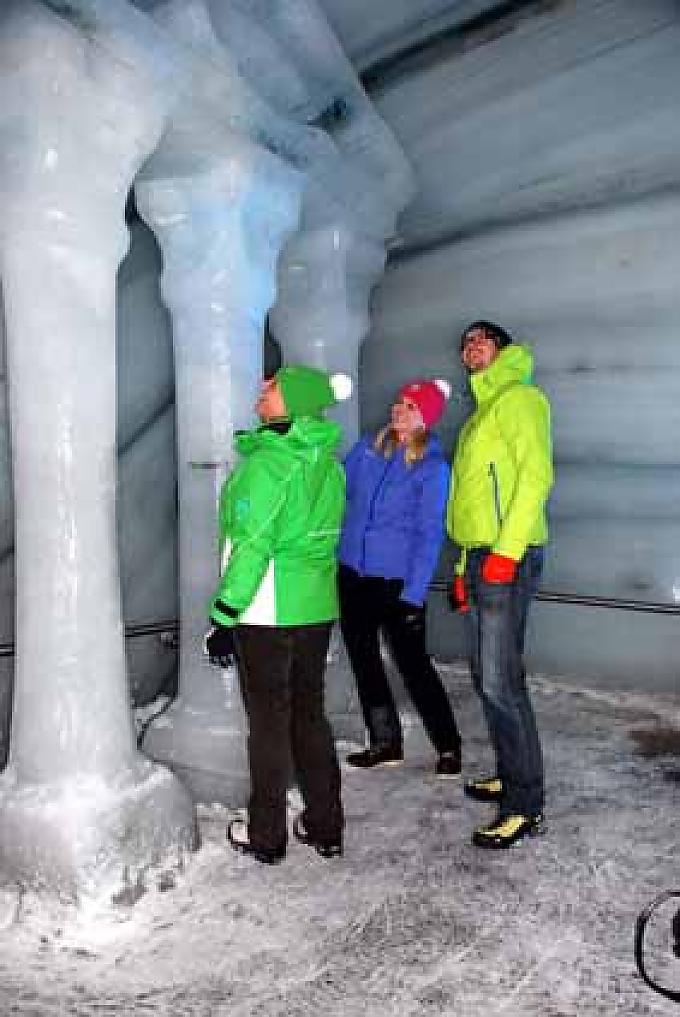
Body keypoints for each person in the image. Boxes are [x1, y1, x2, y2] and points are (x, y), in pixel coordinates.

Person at [205, 364, 352, 864]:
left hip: (266, 610)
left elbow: (251, 546)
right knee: (309, 716)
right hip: (314, 609)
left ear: (294, 402)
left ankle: (266, 835)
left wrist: (225, 615)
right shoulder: (329, 466)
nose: (261, 392)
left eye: (272, 388)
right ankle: (325, 824)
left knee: (269, 722)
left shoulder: (269, 463)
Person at [447, 320, 553, 848]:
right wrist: (465, 567)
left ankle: (524, 804)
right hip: (483, 557)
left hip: (506, 557)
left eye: (482, 338)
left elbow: (536, 477)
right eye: (466, 342)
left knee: (500, 682)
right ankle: (512, 777)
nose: (471, 346)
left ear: (505, 349)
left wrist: (506, 554)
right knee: (492, 676)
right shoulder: (480, 413)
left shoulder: (520, 399)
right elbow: (473, 505)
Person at [338, 379, 462, 776]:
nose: (398, 410)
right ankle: (385, 742)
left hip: (396, 584)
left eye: (410, 406)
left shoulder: (433, 469)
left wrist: (415, 594)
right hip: (353, 574)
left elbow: (430, 534)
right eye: (398, 403)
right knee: (365, 661)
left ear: (425, 417)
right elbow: (338, 491)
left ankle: (448, 745)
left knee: (414, 666)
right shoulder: (367, 451)